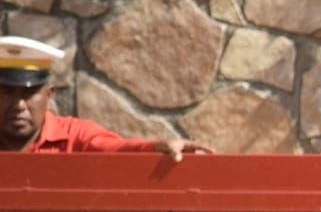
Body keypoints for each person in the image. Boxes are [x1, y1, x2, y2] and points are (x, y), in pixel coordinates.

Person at [0, 36, 211, 157]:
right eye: (7, 92)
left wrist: (156, 148)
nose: (19, 105)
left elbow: (115, 149)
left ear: (49, 94)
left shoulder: (75, 136)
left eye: (29, 93)